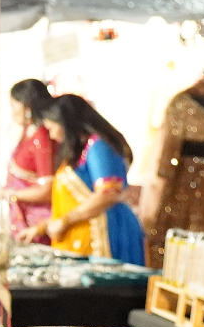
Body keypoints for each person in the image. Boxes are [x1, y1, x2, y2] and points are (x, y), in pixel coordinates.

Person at [19, 94, 146, 266]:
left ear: (67, 123)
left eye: (52, 128)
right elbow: (74, 203)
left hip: (107, 234)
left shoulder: (100, 147)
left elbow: (108, 195)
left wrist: (65, 221)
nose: (52, 135)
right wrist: (40, 228)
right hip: (81, 234)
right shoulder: (79, 151)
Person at [145, 75, 204, 268]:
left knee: (185, 227)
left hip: (191, 175)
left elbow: (171, 143)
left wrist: (165, 172)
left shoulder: (183, 102)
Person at [0, 78, 55, 235]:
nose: (12, 111)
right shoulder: (28, 133)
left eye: (14, 105)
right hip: (24, 223)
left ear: (28, 106)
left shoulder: (41, 137)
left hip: (38, 226)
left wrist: (3, 194)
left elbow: (47, 190)